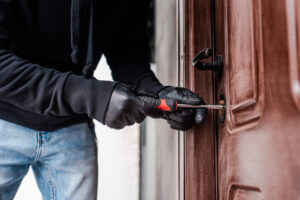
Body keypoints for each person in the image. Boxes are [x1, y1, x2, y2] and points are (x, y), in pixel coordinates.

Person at [0, 0, 207, 199]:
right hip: (6, 119)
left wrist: (157, 94)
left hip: (72, 127)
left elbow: (127, 52)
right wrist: (91, 96)